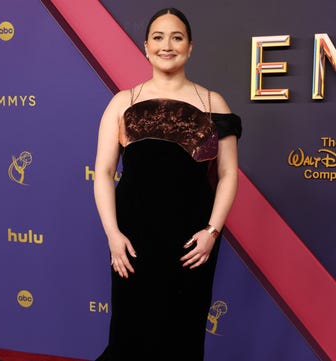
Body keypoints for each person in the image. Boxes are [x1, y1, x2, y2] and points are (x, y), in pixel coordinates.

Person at [93, 7, 242, 361]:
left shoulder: (212, 103)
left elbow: (229, 174)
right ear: (145, 47)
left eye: (177, 37)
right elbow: (103, 172)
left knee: (183, 334)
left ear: (190, 47)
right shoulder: (123, 103)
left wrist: (211, 232)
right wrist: (113, 235)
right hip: (133, 240)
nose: (167, 45)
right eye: (158, 37)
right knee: (130, 334)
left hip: (191, 242)